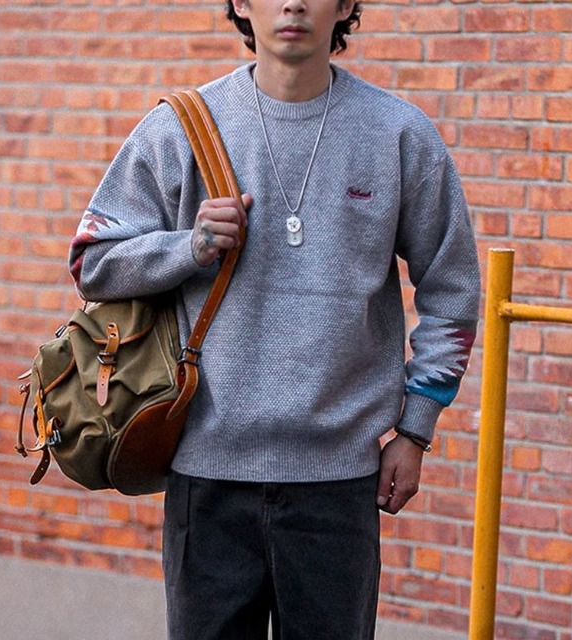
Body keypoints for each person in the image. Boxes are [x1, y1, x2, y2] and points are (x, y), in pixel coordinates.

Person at [69, 0, 480, 637]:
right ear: (241, 3)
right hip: (205, 478)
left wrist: (416, 428)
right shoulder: (182, 127)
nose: (293, 3)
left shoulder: (399, 134)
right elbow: (91, 261)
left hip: (340, 485)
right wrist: (189, 247)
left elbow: (453, 289)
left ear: (346, 5)